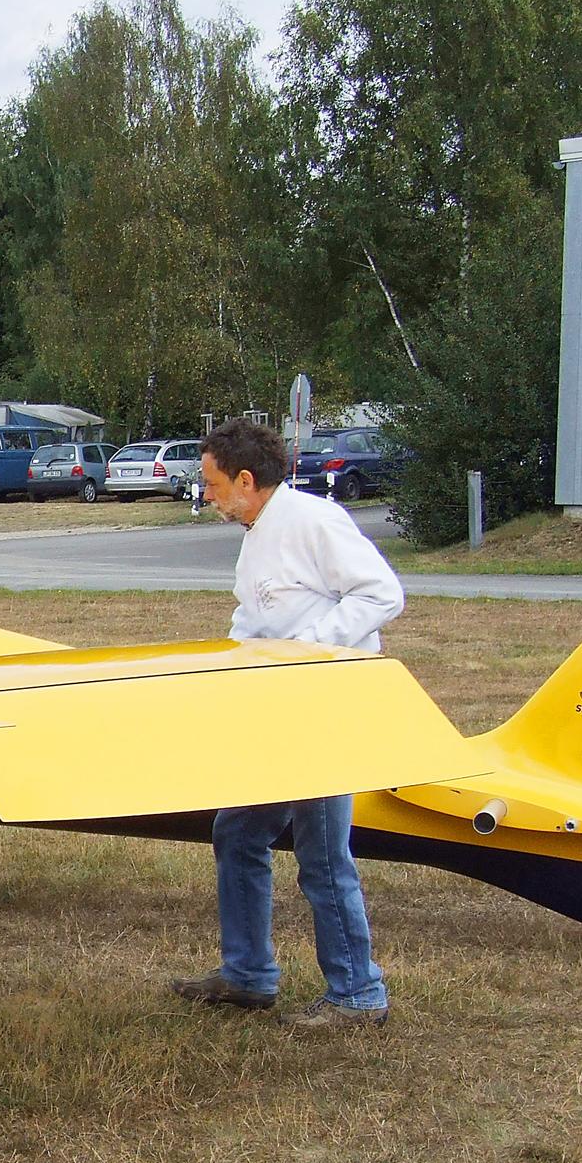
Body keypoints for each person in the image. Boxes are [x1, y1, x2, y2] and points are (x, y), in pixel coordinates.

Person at [170, 417, 405, 1028]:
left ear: (246, 480)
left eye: (214, 483)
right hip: (279, 707)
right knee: (239, 833)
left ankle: (359, 994)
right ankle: (248, 976)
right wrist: (233, 662)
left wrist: (307, 649)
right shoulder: (256, 532)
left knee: (323, 854)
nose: (208, 494)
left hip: (324, 707)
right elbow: (255, 616)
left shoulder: (314, 522)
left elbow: (381, 596)